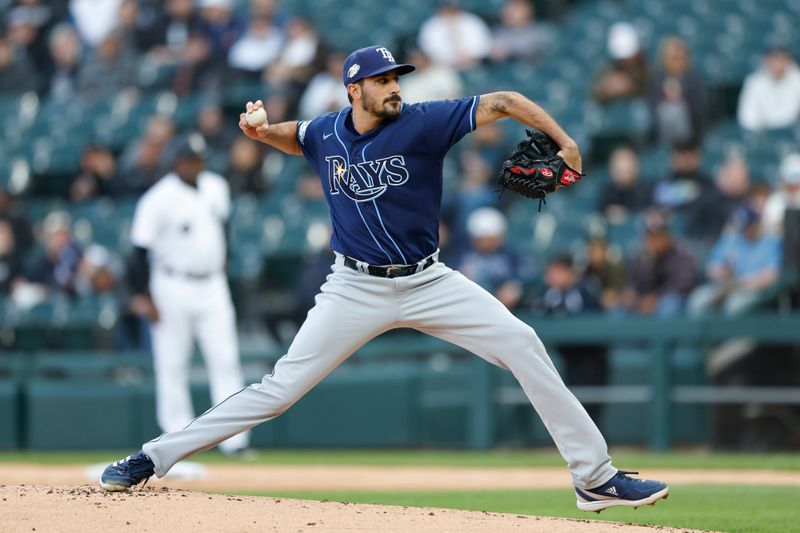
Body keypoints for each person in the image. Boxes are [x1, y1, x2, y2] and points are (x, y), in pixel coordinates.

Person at [100, 44, 668, 512]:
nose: (394, 86)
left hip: (430, 281)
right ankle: (153, 458)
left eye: (396, 77)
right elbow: (293, 135)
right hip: (354, 287)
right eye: (381, 80)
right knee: (276, 392)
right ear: (355, 90)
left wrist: (566, 142)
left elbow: (506, 100)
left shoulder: (423, 122)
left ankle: (594, 477)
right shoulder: (326, 132)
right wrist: (259, 131)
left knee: (522, 342)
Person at [123, 133, 250, 457]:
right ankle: (175, 440)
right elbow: (137, 252)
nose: (195, 164)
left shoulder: (215, 186)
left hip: (213, 284)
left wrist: (224, 255)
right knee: (172, 363)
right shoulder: (157, 198)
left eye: (198, 158)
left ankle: (234, 441)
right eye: (188, 159)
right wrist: (142, 295)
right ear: (176, 161)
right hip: (171, 286)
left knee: (225, 360)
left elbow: (223, 228)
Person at [536, 253, 608, 424]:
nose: (552, 276)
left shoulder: (585, 291)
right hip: (564, 355)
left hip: (589, 357)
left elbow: (597, 319)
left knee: (589, 407)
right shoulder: (548, 295)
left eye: (558, 271)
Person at [688, 206, 782, 316]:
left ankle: (735, 334)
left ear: (756, 224)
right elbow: (712, 268)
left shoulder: (771, 242)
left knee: (734, 305)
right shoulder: (731, 239)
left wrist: (747, 282)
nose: (744, 231)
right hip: (726, 286)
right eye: (741, 228)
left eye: (747, 227)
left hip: (753, 289)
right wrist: (722, 273)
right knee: (697, 299)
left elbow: (773, 274)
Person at [621, 211, 697, 316]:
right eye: (651, 236)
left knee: (669, 305)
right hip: (646, 300)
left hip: (676, 300)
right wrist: (631, 294)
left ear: (667, 235)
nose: (654, 240)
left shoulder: (682, 253)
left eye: (659, 235)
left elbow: (683, 284)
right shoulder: (640, 257)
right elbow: (632, 282)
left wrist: (656, 297)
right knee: (621, 309)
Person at [459, 207, 526, 311]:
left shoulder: (511, 256)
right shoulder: (464, 254)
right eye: (480, 239)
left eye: (489, 239)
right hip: (471, 306)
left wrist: (515, 286)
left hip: (502, 308)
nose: (484, 243)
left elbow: (523, 277)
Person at [648, 36, 707, 145]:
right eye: (674, 58)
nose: (678, 61)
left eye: (681, 57)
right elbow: (652, 110)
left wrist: (682, 96)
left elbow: (702, 110)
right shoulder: (656, 81)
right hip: (662, 139)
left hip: (694, 138)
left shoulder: (695, 81)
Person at [737, 46, 800, 132]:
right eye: (774, 59)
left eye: (781, 59)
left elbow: (791, 114)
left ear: (788, 60)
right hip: (762, 133)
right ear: (766, 60)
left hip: (792, 132)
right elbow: (747, 117)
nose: (778, 64)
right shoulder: (754, 82)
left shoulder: (797, 79)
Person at [592, 22, 649, 104]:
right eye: (621, 58)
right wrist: (604, 90)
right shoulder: (607, 69)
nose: (624, 62)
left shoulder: (647, 69)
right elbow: (593, 96)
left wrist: (631, 87)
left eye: (627, 57)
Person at [598, 146, 652, 224]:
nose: (622, 174)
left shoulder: (647, 188)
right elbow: (600, 213)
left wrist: (625, 214)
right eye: (618, 169)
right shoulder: (607, 190)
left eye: (626, 170)